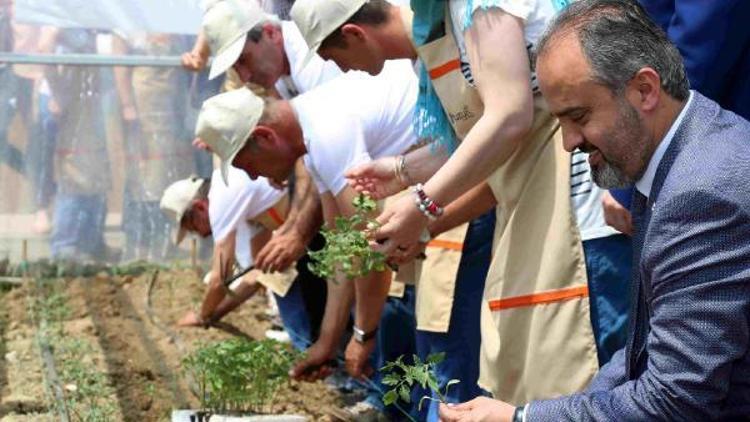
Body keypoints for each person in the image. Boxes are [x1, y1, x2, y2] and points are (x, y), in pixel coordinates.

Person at [293, 0, 630, 411]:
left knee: (584, 372)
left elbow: (508, 118)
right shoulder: (450, 20)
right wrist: (401, 171)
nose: (342, 71)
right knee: (535, 368)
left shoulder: (481, 7)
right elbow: (475, 134)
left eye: (335, 57)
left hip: (581, 210)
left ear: (353, 34)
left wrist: (422, 204)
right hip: (532, 209)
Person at [439, 0, 750, 420]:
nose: (568, 143)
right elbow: (643, 349)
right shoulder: (668, 156)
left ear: (645, 89)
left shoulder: (699, 194)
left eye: (579, 116)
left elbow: (676, 400)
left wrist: (520, 419)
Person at [196, 63, 422, 418]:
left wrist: (363, 333)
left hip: (455, 194)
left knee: (407, 327)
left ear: (265, 137)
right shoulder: (313, 142)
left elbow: (368, 247)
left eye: (246, 164)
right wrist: (327, 343)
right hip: (428, 198)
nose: (252, 174)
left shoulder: (326, 130)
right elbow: (341, 250)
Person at [160, 170, 326, 351]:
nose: (198, 234)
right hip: (312, 223)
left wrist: (202, 316)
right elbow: (259, 271)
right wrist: (216, 314)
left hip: (319, 213)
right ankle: (310, 346)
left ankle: (314, 347)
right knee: (274, 271)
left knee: (287, 276)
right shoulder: (244, 206)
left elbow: (219, 280)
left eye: (192, 227)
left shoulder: (221, 199)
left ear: (200, 207)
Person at [113, 33, 195, 262]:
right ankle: (138, 245)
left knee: (167, 177)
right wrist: (128, 105)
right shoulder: (126, 22)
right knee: (143, 177)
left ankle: (161, 243)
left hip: (172, 106)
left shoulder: (173, 18)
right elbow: (119, 66)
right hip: (142, 106)